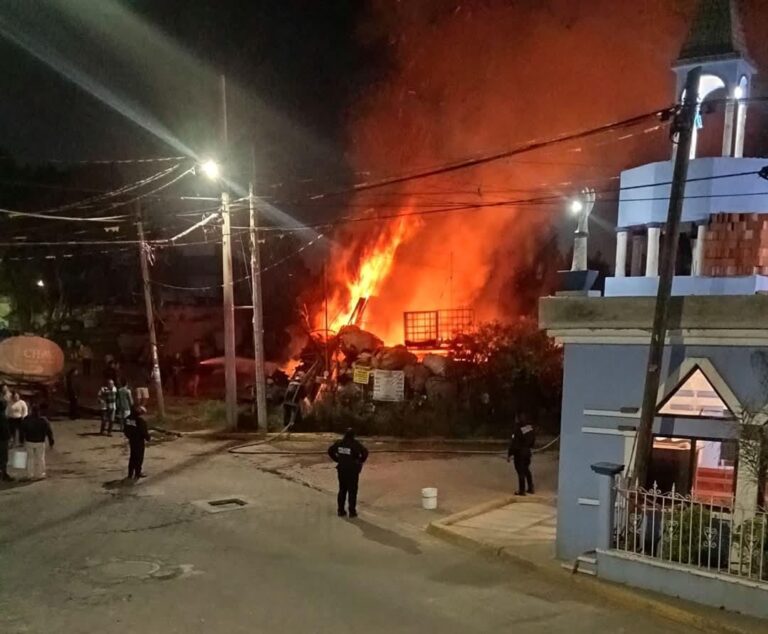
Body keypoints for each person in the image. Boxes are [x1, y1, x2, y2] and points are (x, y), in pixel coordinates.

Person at [328, 428, 369, 518]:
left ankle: (341, 510)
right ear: (353, 435)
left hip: (342, 469)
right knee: (352, 491)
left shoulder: (339, 443)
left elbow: (330, 451)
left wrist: (338, 460)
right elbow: (365, 452)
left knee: (342, 489)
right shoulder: (355, 444)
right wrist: (360, 461)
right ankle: (352, 511)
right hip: (352, 470)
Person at [22, 404, 54, 480]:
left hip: (29, 441)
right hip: (40, 441)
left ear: (31, 411)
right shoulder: (43, 420)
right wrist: (51, 441)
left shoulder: (26, 419)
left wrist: (21, 440)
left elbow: (22, 430)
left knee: (30, 459)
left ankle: (30, 474)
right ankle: (40, 474)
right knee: (40, 458)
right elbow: (49, 432)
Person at [507, 420, 536, 496]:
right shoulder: (529, 428)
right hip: (527, 452)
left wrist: (510, 454)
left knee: (520, 471)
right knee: (526, 469)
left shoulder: (517, 429)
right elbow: (533, 440)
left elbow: (514, 442)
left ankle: (522, 490)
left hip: (519, 453)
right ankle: (530, 488)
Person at [123, 406, 150, 480]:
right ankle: (138, 473)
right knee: (139, 457)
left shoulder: (127, 419)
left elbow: (125, 429)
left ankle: (130, 473)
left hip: (132, 440)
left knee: (133, 456)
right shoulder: (140, 421)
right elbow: (143, 431)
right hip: (139, 441)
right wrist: (148, 438)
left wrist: (129, 436)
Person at [0, 403, 12, 481]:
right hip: (3, 439)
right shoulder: (3, 417)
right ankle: (4, 474)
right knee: (3, 457)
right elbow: (5, 429)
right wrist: (9, 438)